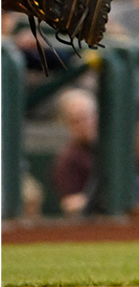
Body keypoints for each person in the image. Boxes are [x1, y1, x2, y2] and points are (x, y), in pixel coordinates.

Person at [52, 88, 98, 216]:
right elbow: (70, 205)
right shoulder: (68, 158)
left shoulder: (114, 147)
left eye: (87, 117)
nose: (85, 125)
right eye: (76, 121)